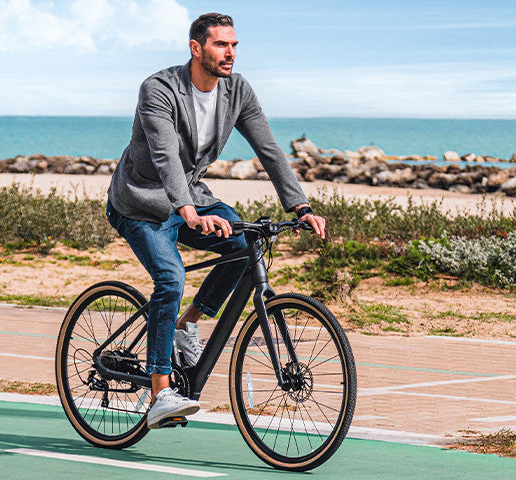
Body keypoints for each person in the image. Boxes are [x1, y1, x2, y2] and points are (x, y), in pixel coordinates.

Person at [106, 12, 326, 428]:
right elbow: (164, 156)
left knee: (245, 245)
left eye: (234, 45)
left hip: (193, 196)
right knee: (170, 279)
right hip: (142, 202)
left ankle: (188, 323)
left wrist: (300, 206)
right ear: (196, 48)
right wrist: (186, 210)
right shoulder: (159, 89)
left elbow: (270, 150)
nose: (231, 53)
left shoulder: (237, 90)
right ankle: (159, 393)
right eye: (221, 45)